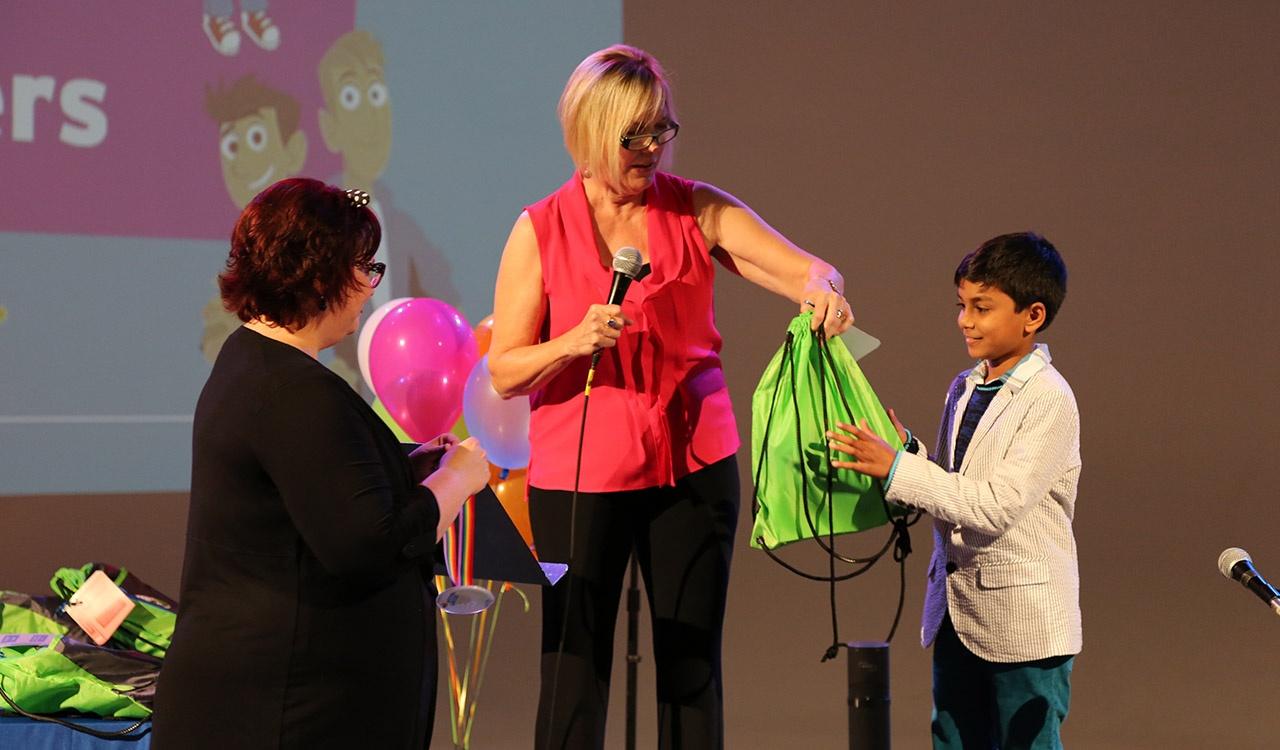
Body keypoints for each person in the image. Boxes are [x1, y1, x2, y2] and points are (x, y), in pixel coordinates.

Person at [486, 44, 854, 749]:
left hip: (692, 468)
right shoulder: (539, 230)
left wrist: (824, 295)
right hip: (578, 476)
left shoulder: (696, 209)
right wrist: (571, 342)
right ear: (592, 134)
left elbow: (809, 270)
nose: (652, 148)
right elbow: (504, 370)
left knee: (691, 668)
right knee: (572, 669)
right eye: (635, 136)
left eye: (662, 130)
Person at [153, 177, 489, 749]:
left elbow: (310, 500)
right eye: (362, 267)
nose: (367, 287)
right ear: (316, 276)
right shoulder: (292, 391)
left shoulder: (254, 365)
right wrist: (456, 481)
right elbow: (367, 545)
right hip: (285, 711)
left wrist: (405, 473)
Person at [827, 232, 1080, 749]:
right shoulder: (964, 386)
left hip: (1023, 630)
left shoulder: (1050, 400)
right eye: (962, 305)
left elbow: (996, 505)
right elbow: (954, 481)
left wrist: (898, 469)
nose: (965, 320)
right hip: (958, 616)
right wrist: (911, 453)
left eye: (982, 308)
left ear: (1032, 316)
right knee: (953, 738)